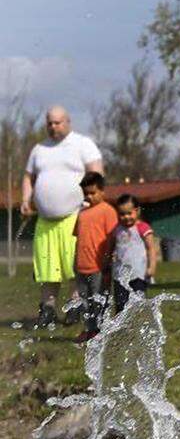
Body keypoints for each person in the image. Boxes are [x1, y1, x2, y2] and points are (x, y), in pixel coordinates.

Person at [21, 106, 104, 328]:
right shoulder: (40, 148)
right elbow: (29, 177)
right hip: (46, 220)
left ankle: (74, 307)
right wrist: (26, 200)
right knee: (47, 268)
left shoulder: (82, 144)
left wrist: (91, 200)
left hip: (74, 216)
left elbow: (96, 171)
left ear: (68, 122)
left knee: (72, 266)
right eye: (49, 122)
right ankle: (47, 310)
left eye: (57, 122)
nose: (53, 126)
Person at [72, 172, 119, 343]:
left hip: (99, 266)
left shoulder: (108, 211)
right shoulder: (82, 214)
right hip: (81, 266)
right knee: (86, 301)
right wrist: (75, 261)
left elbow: (112, 238)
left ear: (102, 191)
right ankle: (89, 330)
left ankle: (102, 331)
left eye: (93, 193)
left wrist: (107, 260)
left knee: (101, 300)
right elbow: (78, 239)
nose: (89, 196)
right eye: (86, 194)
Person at [109, 194, 157, 313]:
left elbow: (151, 248)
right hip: (120, 274)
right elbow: (112, 247)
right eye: (122, 214)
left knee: (137, 303)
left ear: (137, 211)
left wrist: (152, 267)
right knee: (120, 303)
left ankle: (137, 325)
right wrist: (109, 258)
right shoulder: (117, 229)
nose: (126, 217)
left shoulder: (143, 228)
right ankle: (122, 328)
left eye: (129, 213)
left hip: (138, 273)